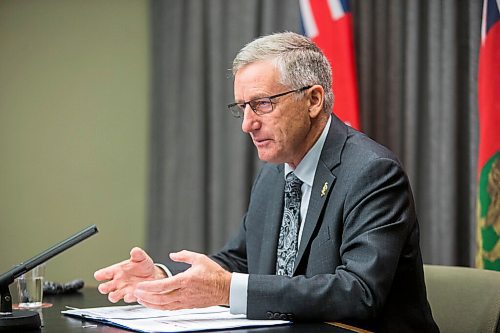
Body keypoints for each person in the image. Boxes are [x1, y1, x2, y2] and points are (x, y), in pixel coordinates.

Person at [95, 32, 439, 332]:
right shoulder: (275, 173)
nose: (247, 124)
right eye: (243, 107)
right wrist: (165, 278)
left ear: (314, 100)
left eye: (262, 104)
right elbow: (241, 262)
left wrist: (227, 290)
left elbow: (359, 292)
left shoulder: (372, 172)